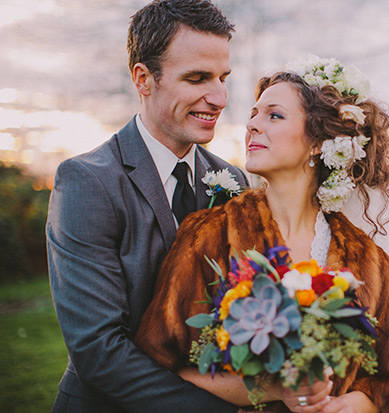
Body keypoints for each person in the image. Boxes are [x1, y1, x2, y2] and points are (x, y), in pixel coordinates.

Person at [134, 60, 389, 412]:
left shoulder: (370, 261)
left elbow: (386, 380)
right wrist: (269, 389)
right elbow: (159, 364)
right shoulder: (208, 237)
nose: (251, 125)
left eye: (274, 116)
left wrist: (359, 403)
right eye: (253, 114)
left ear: (318, 142)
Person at [46, 1, 249, 411]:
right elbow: (98, 351)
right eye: (197, 78)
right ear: (143, 78)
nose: (219, 97)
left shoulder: (234, 182)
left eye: (223, 78)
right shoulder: (88, 181)